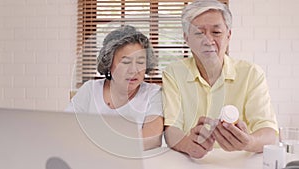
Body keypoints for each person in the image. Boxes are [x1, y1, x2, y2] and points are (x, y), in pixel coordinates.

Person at [162, 0, 278, 159]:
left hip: (240, 162)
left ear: (228, 35)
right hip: (190, 163)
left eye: (216, 32)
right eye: (198, 33)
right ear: (186, 38)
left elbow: (270, 134)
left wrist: (248, 142)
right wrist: (189, 145)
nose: (208, 40)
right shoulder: (174, 73)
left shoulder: (251, 74)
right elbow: (171, 130)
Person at [66, 25, 163, 150]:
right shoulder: (90, 89)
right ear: (109, 63)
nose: (134, 70)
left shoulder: (153, 93)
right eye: (125, 62)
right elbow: (67, 129)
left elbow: (152, 139)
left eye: (140, 62)